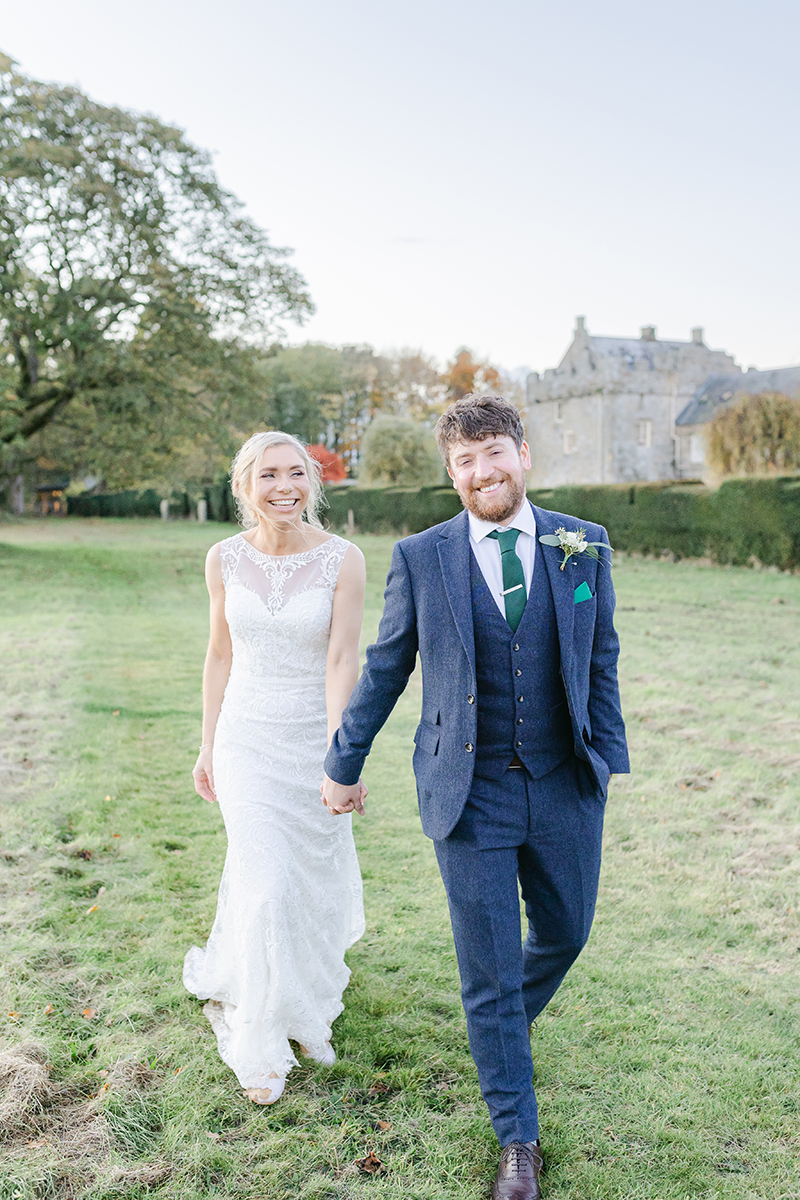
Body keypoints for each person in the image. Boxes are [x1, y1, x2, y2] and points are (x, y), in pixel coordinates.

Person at [322, 395, 629, 1199]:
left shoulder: (581, 545)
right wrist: (342, 762)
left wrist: (607, 764)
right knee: (490, 970)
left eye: (494, 452)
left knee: (566, 932)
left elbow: (601, 659)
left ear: (523, 454)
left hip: (565, 784)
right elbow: (387, 667)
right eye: (464, 460)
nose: (482, 471)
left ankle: (497, 1038)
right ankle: (518, 1144)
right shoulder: (423, 557)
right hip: (469, 792)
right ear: (449, 471)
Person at [185, 431, 367, 1106]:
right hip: (244, 743)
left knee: (304, 882)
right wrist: (207, 746)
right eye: (269, 475)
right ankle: (260, 1037)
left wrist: (341, 755)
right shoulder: (223, 559)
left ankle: (303, 1008)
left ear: (312, 484)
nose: (284, 486)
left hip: (311, 746)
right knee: (263, 884)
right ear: (244, 486)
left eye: (297, 473)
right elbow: (218, 657)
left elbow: (342, 661)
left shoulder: (343, 561)